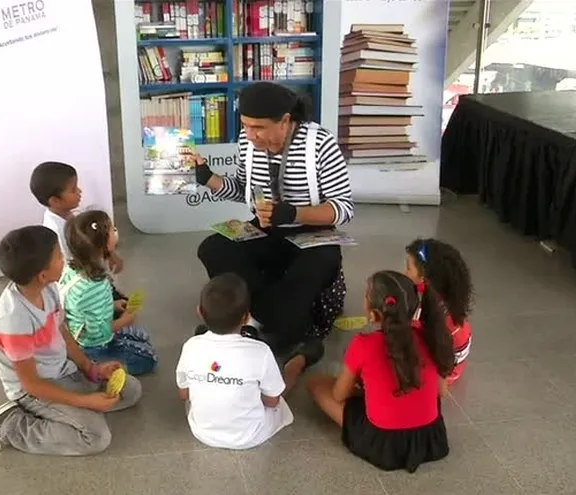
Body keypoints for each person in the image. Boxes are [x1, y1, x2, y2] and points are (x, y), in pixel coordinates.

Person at [194, 81, 354, 357]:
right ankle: (268, 318)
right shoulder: (247, 143)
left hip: (313, 231)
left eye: (258, 127)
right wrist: (210, 179)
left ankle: (256, 321)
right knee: (212, 248)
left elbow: (343, 208)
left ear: (285, 121)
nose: (250, 135)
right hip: (267, 228)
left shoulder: (320, 143)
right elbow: (242, 187)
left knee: (313, 268)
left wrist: (294, 212)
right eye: (245, 126)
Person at [0, 225, 142, 456]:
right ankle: (11, 426)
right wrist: (85, 402)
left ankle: (70, 413)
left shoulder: (49, 289)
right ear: (42, 274)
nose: (65, 259)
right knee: (95, 438)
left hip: (65, 372)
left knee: (131, 390)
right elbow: (31, 384)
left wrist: (91, 369)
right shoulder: (12, 320)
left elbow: (63, 333)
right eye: (59, 256)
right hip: (35, 391)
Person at [305, 270, 455, 472]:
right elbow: (442, 392)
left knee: (315, 383)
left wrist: (361, 388)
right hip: (429, 437)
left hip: (383, 442)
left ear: (373, 313)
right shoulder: (431, 337)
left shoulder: (363, 344)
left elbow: (338, 395)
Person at [177, 273, 322, 450]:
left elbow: (184, 395)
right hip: (249, 435)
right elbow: (272, 401)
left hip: (203, 431)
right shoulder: (260, 352)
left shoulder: (191, 346)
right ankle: (298, 362)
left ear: (200, 311)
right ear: (246, 319)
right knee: (278, 386)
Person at [58, 210, 157, 376]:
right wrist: (125, 321)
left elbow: (86, 310)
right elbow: (98, 333)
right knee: (149, 358)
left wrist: (112, 305)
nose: (115, 232)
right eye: (113, 230)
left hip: (81, 333)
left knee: (142, 336)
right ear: (102, 244)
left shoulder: (72, 269)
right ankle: (98, 369)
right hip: (94, 345)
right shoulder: (95, 286)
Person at [29, 161, 125, 275]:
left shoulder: (71, 214)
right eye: (73, 190)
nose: (80, 191)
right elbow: (68, 269)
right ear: (55, 200)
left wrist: (109, 254)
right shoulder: (55, 234)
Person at [404, 238, 473, 386]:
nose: (405, 273)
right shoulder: (447, 298)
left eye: (408, 269)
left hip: (440, 376)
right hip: (450, 363)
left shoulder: (434, 317)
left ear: (424, 278)